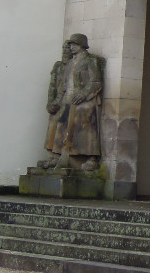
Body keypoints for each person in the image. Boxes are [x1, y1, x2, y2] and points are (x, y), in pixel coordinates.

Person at [41, 34, 104, 171]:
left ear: (81, 45)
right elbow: (64, 85)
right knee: (61, 123)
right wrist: (58, 100)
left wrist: (83, 94)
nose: (71, 47)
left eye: (74, 44)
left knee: (85, 124)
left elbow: (96, 82)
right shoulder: (70, 63)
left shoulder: (90, 61)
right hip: (68, 99)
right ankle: (58, 155)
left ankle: (90, 158)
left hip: (85, 101)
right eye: (70, 45)